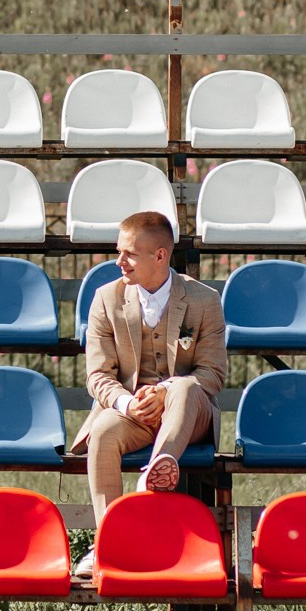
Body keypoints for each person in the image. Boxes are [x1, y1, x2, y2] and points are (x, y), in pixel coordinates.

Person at [66, 209, 227, 574]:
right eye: (119, 251)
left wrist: (166, 391)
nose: (119, 261)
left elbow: (212, 374)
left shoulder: (204, 300)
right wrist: (128, 402)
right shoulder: (107, 299)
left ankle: (160, 464)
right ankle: (109, 541)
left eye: (129, 254)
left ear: (160, 255)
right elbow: (98, 375)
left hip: (189, 412)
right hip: (132, 412)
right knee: (103, 431)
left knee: (185, 387)